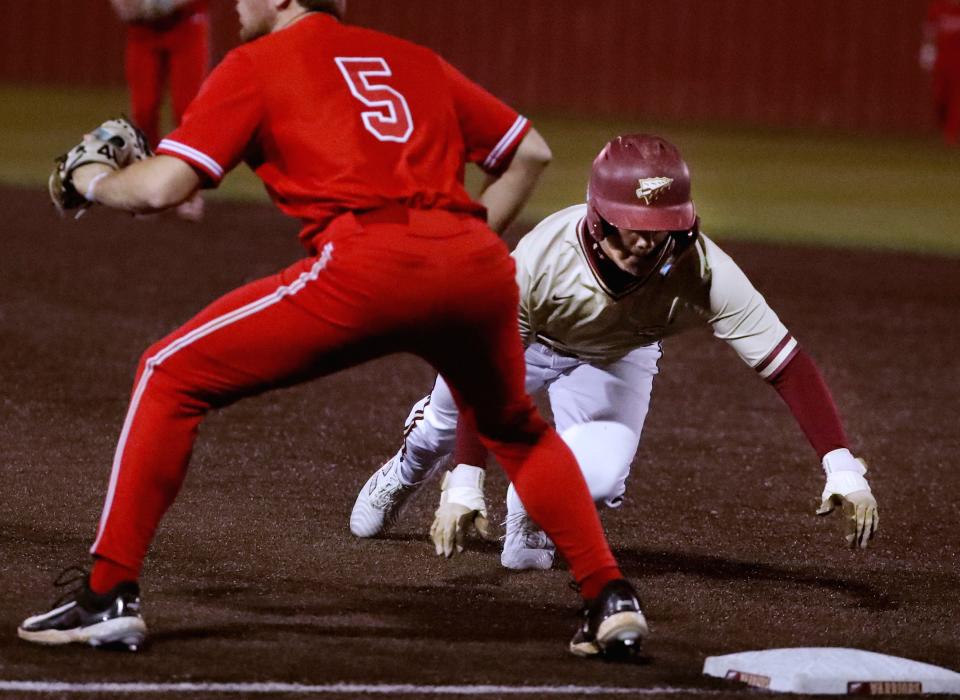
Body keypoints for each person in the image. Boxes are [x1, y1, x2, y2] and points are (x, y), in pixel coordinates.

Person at [19, 0, 647, 659]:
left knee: (167, 373)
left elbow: (159, 190)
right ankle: (610, 597)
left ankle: (108, 591)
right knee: (515, 428)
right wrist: (453, 249)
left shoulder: (255, 65)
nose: (237, 2)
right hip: (475, 264)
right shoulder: (412, 58)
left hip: (365, 263)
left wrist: (90, 180)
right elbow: (530, 151)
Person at [349, 134, 880, 572]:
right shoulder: (539, 262)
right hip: (525, 345)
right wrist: (466, 478)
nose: (650, 242)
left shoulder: (703, 269)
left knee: (599, 480)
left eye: (664, 227)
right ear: (600, 216)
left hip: (616, 355)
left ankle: (529, 506)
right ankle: (409, 467)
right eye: (637, 226)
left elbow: (786, 364)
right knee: (437, 430)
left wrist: (841, 467)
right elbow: (484, 375)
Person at [109, 0, 210, 219]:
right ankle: (149, 187)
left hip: (186, 26)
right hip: (143, 31)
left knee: (186, 111)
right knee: (144, 110)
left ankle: (189, 190)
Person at [921, 0, 960, 145]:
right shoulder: (938, 7)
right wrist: (927, 51)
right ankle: (945, 127)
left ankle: (951, 135)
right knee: (939, 96)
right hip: (942, 60)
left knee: (957, 99)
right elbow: (929, 30)